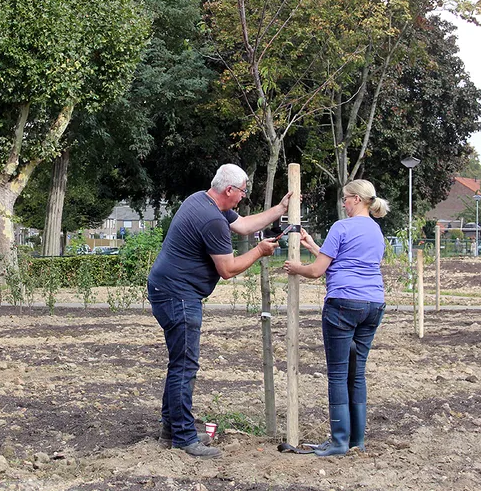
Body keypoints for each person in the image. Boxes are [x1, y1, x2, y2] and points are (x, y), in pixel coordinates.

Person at [147, 163, 291, 459]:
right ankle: (184, 438)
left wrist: (280, 208)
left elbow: (244, 225)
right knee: (184, 367)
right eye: (242, 192)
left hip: (168, 289)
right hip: (178, 296)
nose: (243, 197)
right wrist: (259, 251)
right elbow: (227, 269)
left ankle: (172, 428)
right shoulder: (211, 219)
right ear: (229, 190)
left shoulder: (201, 199)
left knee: (179, 364)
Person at [283, 179, 389, 456]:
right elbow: (344, 263)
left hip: (342, 304)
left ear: (356, 199)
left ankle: (339, 441)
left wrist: (297, 267)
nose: (343, 203)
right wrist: (312, 245)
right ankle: (356, 441)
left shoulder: (341, 227)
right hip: (373, 304)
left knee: (338, 374)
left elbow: (318, 271)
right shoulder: (377, 232)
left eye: (345, 198)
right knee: (357, 374)